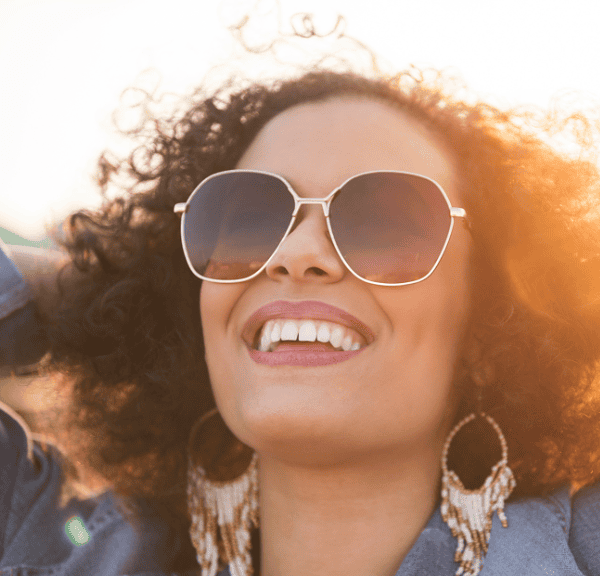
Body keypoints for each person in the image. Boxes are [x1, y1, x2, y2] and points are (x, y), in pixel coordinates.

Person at [1, 24, 600, 576]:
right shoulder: (54, 550)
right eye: (246, 220)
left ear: (490, 327)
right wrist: (114, 293)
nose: (296, 252)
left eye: (384, 223)